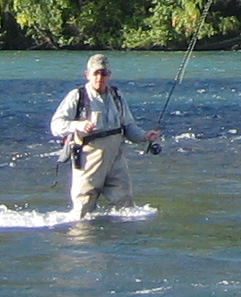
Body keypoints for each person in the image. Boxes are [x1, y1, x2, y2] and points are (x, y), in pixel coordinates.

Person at [50, 54, 161, 220]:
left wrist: (145, 136)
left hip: (116, 160)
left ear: (109, 75)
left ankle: (120, 242)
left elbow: (128, 127)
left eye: (103, 73)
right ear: (87, 75)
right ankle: (80, 243)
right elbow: (56, 125)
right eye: (95, 73)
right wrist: (77, 125)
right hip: (88, 160)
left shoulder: (116, 96)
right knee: (82, 210)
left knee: (126, 207)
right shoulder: (77, 96)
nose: (99, 77)